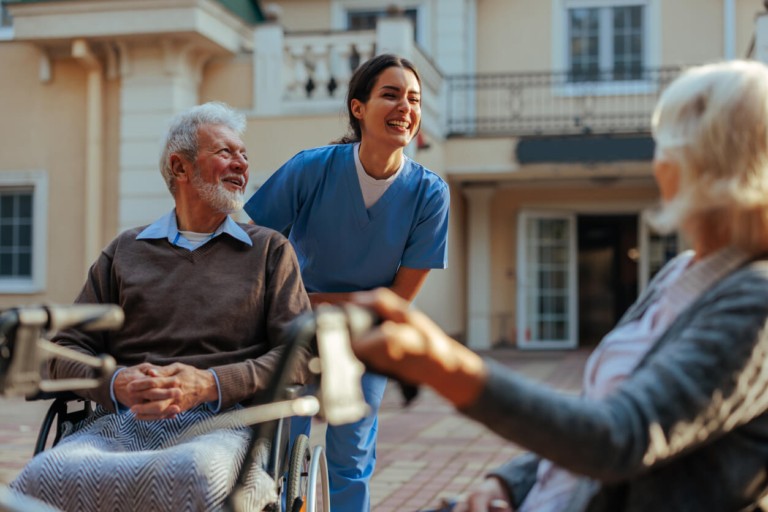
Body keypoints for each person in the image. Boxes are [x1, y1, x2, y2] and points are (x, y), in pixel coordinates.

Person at [348, 59, 768, 512]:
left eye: (668, 142)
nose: (658, 158)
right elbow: (591, 415)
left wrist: (444, 365)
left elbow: (618, 436)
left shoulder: (755, 301)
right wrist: (510, 483)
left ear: (705, 164)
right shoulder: (680, 273)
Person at [10, 102, 312, 512]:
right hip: (120, 423)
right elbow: (63, 353)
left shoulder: (269, 251)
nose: (242, 163)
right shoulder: (125, 252)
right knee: (38, 478)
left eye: (244, 154)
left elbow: (301, 355)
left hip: (225, 424)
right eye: (226, 152)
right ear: (181, 167)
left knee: (192, 474)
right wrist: (116, 383)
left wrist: (208, 383)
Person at [244, 53, 450, 511]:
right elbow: (254, 252)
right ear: (358, 107)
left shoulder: (429, 193)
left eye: (413, 99)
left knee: (351, 456)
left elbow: (396, 302)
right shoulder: (310, 169)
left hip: (364, 340)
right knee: (278, 447)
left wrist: (309, 299)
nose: (405, 108)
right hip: (292, 333)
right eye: (391, 94)